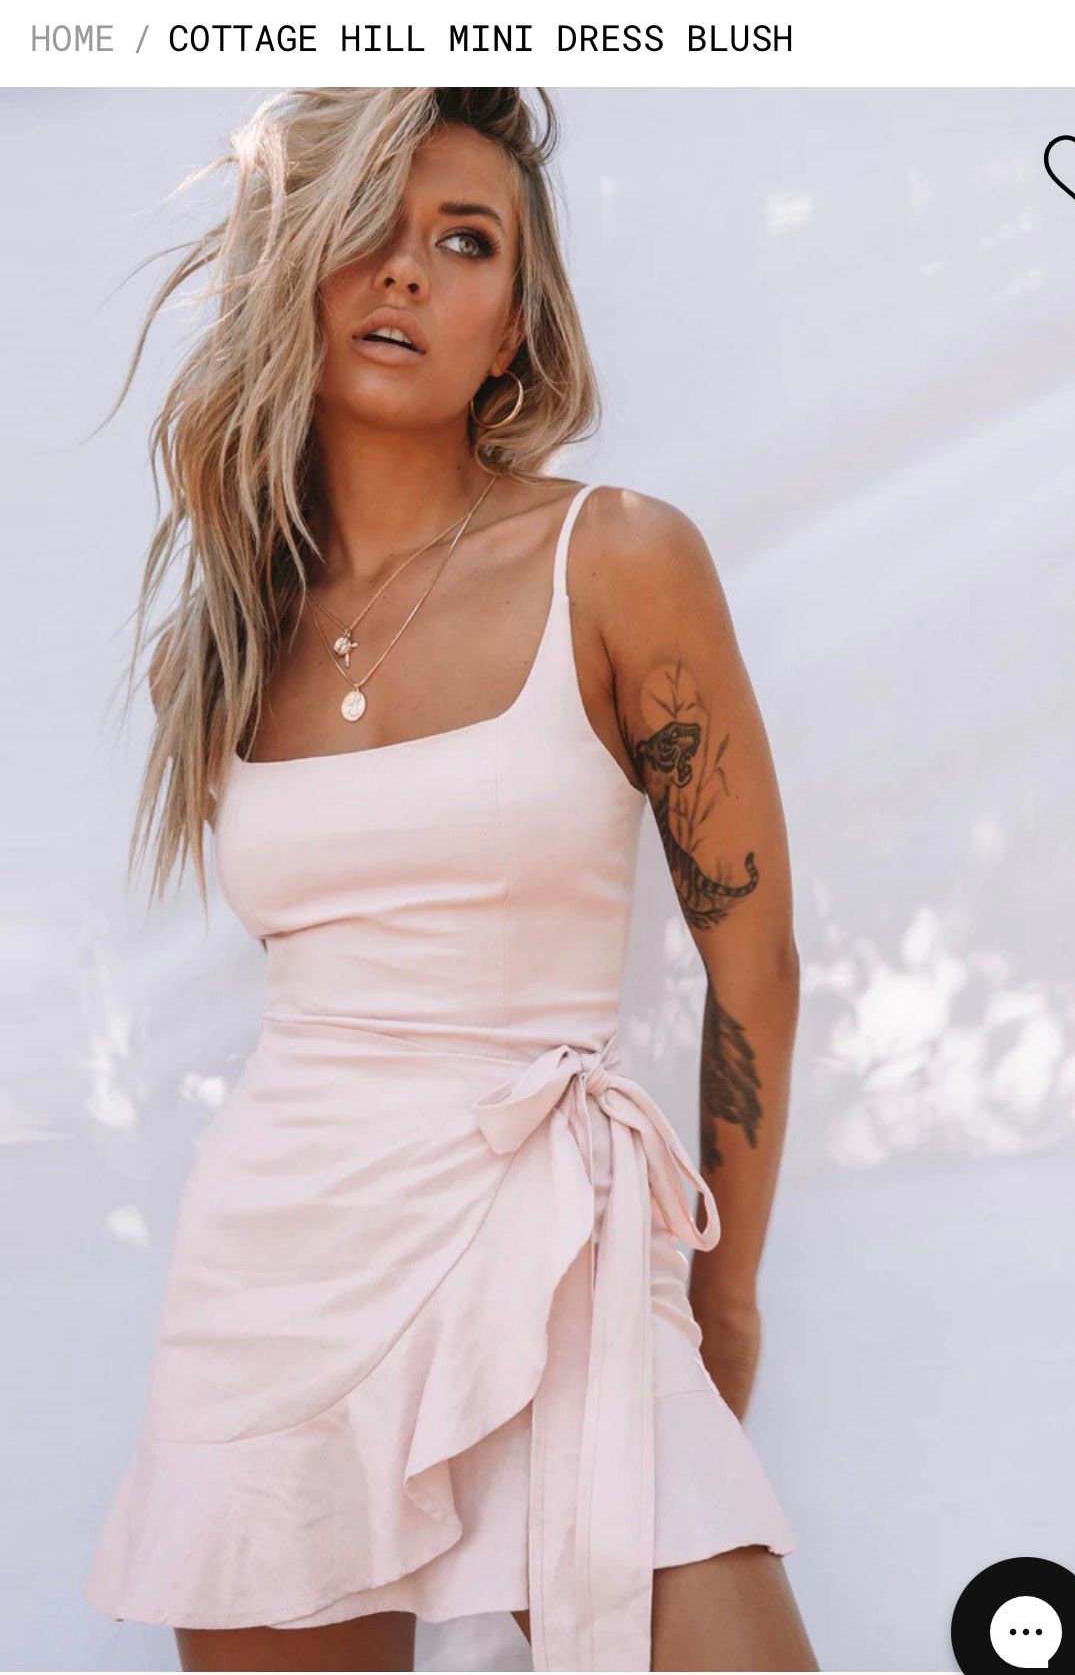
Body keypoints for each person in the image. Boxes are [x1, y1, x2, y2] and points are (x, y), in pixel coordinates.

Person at [83, 86, 817, 1673]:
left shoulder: (617, 556)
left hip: (561, 1247)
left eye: (465, 240)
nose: (408, 268)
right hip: (276, 1277)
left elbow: (752, 966)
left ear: (515, 332)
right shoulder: (219, 651)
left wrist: (722, 1298)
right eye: (370, 227)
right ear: (301, 270)